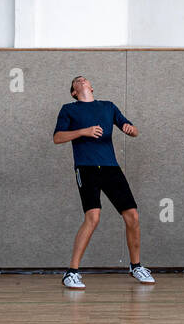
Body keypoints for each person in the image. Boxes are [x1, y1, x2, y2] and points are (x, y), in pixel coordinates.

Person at [53, 76, 154, 289]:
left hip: (110, 168)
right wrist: (83, 131)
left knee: (132, 215)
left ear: (91, 87)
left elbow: (134, 130)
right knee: (93, 217)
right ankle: (71, 273)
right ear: (74, 92)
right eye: (76, 81)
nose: (81, 81)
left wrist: (130, 129)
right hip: (86, 168)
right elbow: (58, 137)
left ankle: (136, 267)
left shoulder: (108, 107)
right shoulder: (68, 109)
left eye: (84, 80)